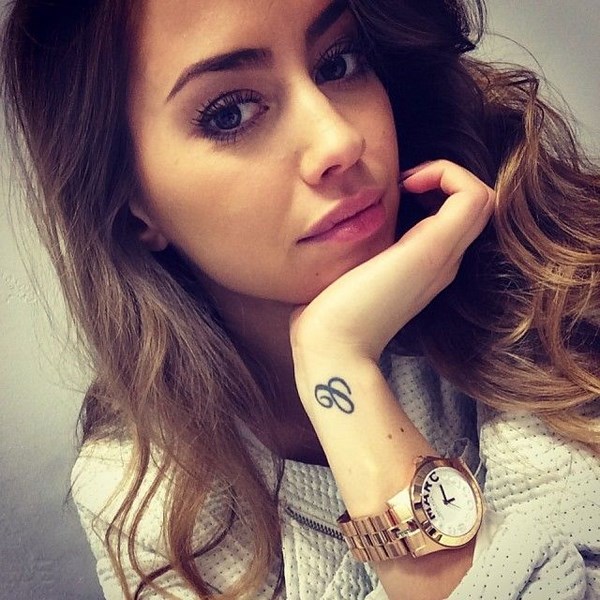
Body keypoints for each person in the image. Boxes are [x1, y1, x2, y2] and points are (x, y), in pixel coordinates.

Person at [2, 0, 599, 598]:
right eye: (231, 113)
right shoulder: (146, 498)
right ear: (136, 207)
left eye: (338, 62)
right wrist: (341, 367)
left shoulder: (536, 289)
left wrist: (335, 360)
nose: (340, 138)